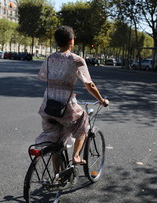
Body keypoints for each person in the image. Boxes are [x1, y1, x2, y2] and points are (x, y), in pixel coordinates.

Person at [36, 26, 109, 165]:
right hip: (65, 105)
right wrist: (102, 100)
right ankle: (76, 156)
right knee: (83, 119)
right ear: (71, 41)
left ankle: (56, 176)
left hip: (48, 104)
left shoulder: (50, 58)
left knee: (55, 141)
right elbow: (89, 84)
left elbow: (44, 76)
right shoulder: (76, 60)